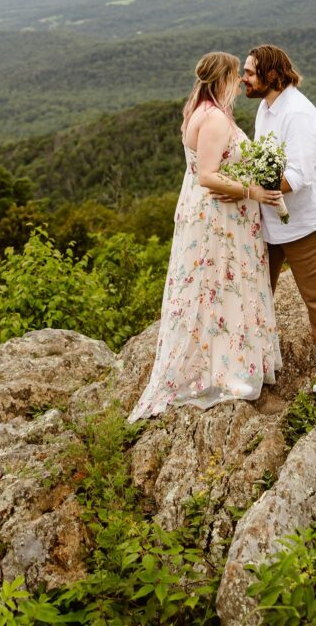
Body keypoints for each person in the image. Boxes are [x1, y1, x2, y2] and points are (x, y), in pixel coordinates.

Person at [128, 52, 282, 421]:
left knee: (209, 289)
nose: (239, 82)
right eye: (235, 76)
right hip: (219, 219)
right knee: (219, 289)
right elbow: (208, 176)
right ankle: (227, 373)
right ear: (224, 79)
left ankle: (221, 365)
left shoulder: (198, 110)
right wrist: (254, 192)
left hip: (212, 215)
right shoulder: (212, 119)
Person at [242, 44, 316, 394]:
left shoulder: (297, 113)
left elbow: (298, 176)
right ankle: (254, 360)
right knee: (256, 290)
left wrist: (252, 188)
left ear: (272, 75)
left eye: (250, 72)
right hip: (271, 219)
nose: (244, 78)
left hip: (308, 220)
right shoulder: (266, 109)